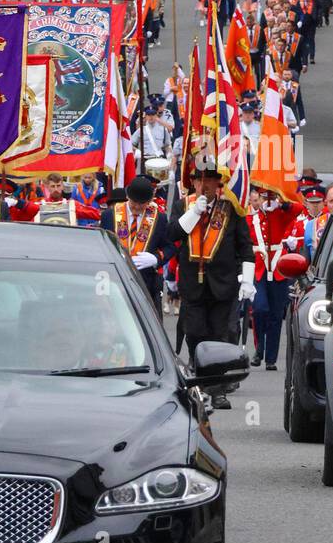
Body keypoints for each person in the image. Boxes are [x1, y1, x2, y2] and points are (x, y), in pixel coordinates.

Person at [167, 167, 255, 409]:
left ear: (219, 184)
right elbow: (172, 233)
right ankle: (199, 382)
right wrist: (194, 212)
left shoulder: (231, 209)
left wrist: (247, 279)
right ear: (193, 183)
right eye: (199, 181)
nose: (203, 185)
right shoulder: (183, 206)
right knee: (194, 333)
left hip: (222, 284)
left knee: (219, 338)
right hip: (192, 285)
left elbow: (244, 246)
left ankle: (216, 390)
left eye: (210, 180)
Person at [101, 175, 172, 315]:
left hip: (146, 284)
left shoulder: (159, 218)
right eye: (134, 203)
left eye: (142, 204)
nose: (137, 207)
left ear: (150, 201)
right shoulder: (109, 215)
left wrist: (156, 258)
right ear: (128, 196)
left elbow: (170, 247)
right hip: (115, 281)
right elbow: (101, 245)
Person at [247, 189, 298, 369]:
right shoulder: (250, 220)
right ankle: (259, 348)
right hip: (260, 269)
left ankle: (270, 359)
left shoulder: (280, 215)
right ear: (258, 200)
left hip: (278, 268)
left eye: (269, 197)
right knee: (260, 309)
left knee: (276, 314)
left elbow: (298, 208)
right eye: (262, 197)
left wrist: (282, 204)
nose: (265, 201)